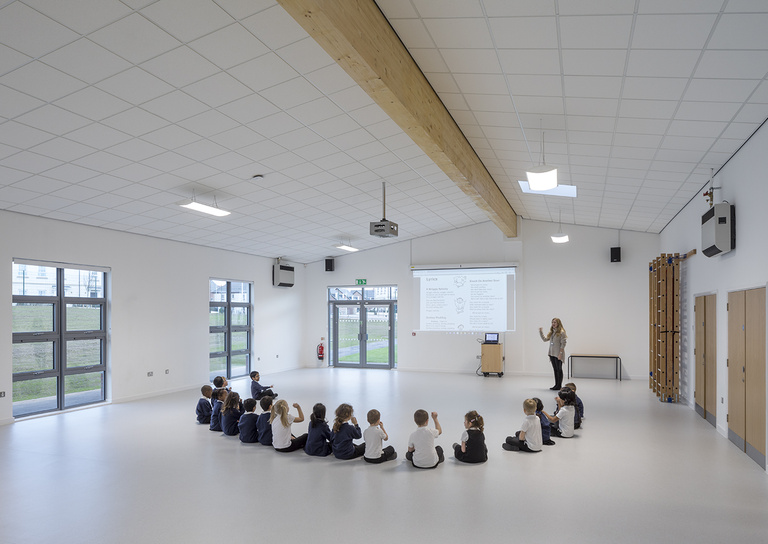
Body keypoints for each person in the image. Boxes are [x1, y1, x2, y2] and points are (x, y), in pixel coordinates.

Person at [539, 317, 567, 390]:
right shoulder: (552, 332)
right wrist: (541, 332)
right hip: (552, 354)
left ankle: (559, 385)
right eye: (552, 322)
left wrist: (560, 354)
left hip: (558, 354)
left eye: (555, 322)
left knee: (559, 369)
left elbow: (563, 344)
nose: (553, 324)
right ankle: (556, 385)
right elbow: (545, 339)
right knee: (555, 369)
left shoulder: (561, 332)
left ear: (558, 323)